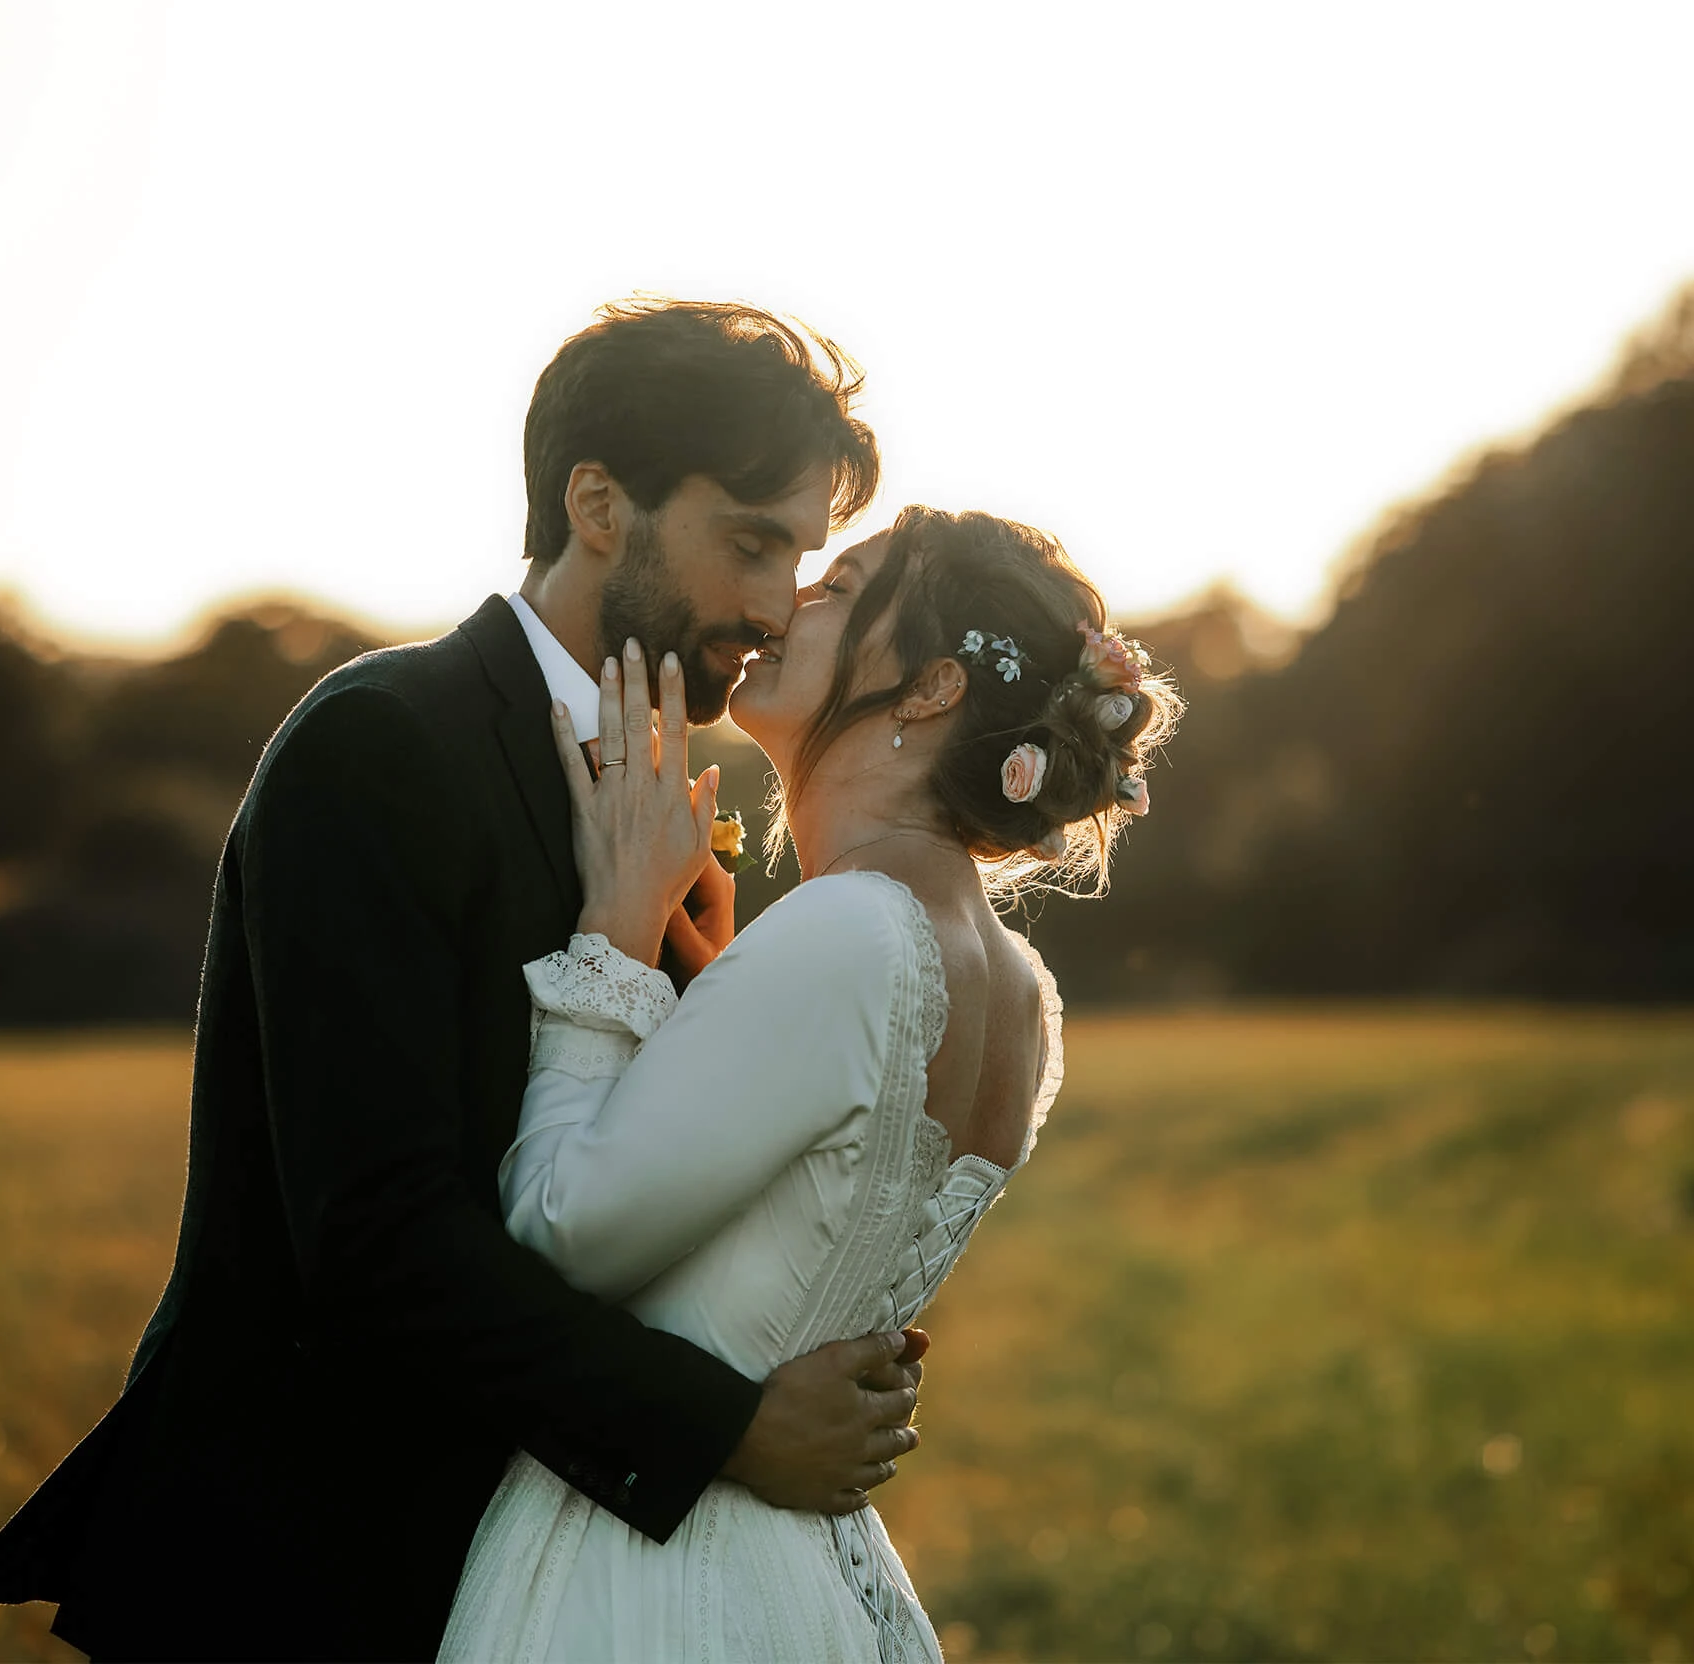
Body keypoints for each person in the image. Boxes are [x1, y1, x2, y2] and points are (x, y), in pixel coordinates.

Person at [0, 300, 925, 1660]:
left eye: (799, 556)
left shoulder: (667, 799)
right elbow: (377, 1236)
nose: (773, 604)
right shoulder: (381, 747)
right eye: (750, 541)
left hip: (528, 1573)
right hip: (307, 1570)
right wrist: (729, 1428)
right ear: (600, 503)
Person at [438, 504, 1182, 1661]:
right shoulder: (1021, 987)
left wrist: (612, 939)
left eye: (841, 585)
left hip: (653, 1576)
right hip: (807, 1574)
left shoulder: (849, 932)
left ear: (931, 687)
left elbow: (559, 1232)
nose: (790, 603)